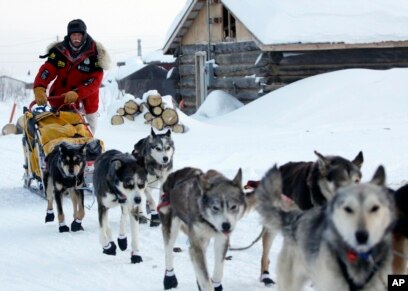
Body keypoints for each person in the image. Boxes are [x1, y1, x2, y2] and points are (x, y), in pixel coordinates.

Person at [33, 19, 110, 133]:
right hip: (61, 101)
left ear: (84, 35)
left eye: (79, 34)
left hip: (86, 104)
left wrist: (77, 93)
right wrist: (39, 87)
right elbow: (47, 71)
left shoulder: (95, 53)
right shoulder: (59, 51)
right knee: (59, 135)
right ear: (69, 35)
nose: (76, 38)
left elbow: (95, 81)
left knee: (86, 139)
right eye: (73, 35)